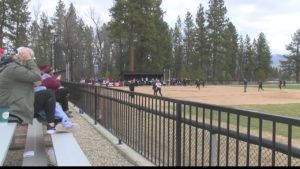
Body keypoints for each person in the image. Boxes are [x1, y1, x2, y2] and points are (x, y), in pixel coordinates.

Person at [0, 47, 57, 133]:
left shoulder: (13, 68)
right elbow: (37, 76)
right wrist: (29, 59)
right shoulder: (13, 69)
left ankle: (50, 123)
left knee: (46, 95)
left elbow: (37, 81)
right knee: (48, 94)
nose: (31, 61)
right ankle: (51, 125)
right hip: (12, 109)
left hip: (12, 105)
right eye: (31, 59)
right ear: (24, 58)